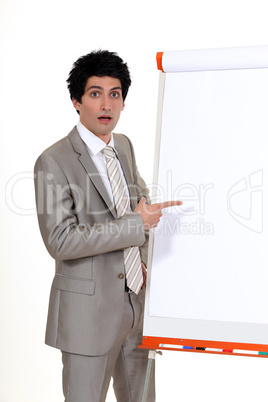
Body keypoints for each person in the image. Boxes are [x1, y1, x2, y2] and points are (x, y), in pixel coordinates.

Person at [34, 50, 182, 402]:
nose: (106, 104)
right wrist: (135, 224)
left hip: (135, 309)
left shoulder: (124, 147)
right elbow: (61, 241)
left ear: (123, 102)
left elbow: (141, 208)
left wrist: (143, 261)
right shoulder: (53, 161)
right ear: (76, 101)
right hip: (88, 317)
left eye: (114, 94)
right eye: (95, 93)